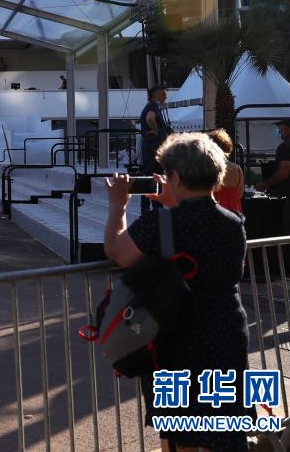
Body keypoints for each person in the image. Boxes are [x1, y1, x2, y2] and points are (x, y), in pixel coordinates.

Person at [103, 132, 251, 452]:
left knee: (181, 434)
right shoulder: (233, 222)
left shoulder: (160, 223)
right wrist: (174, 205)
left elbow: (117, 250)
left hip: (177, 341)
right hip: (226, 335)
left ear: (177, 178)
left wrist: (118, 206)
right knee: (225, 429)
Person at [256, 118, 290, 264]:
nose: (279, 132)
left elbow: (283, 172)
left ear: (285, 128)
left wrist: (265, 184)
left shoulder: (285, 147)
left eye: (280, 129)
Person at [139, 86, 172, 215]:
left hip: (151, 149)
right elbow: (150, 118)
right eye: (163, 94)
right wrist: (156, 130)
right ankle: (156, 209)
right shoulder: (153, 107)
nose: (166, 97)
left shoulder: (151, 106)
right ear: (156, 95)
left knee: (149, 177)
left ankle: (147, 208)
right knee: (154, 177)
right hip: (154, 149)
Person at [206, 128, 244, 215]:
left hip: (215, 215)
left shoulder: (208, 169)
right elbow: (240, 194)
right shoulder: (238, 169)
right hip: (235, 215)